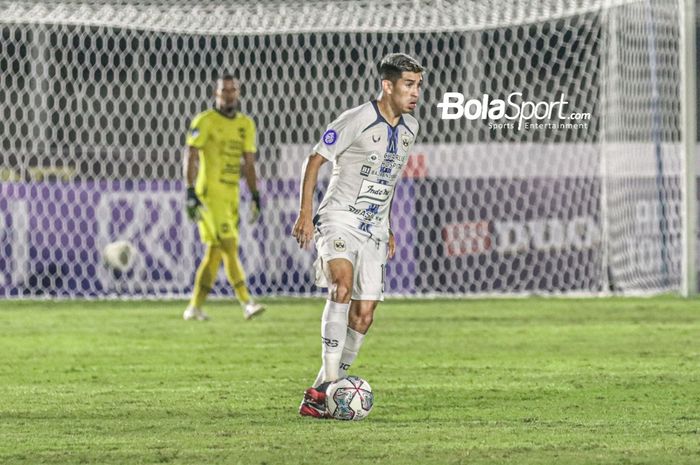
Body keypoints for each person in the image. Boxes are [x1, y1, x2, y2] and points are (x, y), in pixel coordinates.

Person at [292, 53, 424, 417]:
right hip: (338, 218)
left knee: (364, 315)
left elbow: (389, 179)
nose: (415, 93)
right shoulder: (357, 119)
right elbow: (315, 159)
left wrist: (389, 223)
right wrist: (306, 212)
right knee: (342, 288)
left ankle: (320, 392)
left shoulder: (411, 128)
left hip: (374, 228)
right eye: (408, 85)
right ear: (388, 85)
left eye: (418, 86)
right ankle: (334, 382)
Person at [182, 74, 265, 321]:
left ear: (238, 93)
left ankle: (194, 307)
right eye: (223, 90)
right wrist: (189, 190)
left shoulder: (245, 124)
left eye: (232, 90)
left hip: (231, 195)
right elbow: (191, 154)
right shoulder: (205, 121)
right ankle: (246, 302)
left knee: (215, 252)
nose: (228, 94)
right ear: (215, 94)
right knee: (229, 245)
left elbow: (249, 163)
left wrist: (255, 194)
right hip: (208, 194)